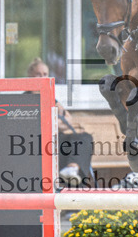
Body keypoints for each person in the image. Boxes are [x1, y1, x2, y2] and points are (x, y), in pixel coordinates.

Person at [27, 57, 94, 187]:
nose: (42, 77)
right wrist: (55, 123)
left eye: (45, 74)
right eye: (38, 74)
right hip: (36, 146)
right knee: (74, 153)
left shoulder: (51, 98)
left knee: (84, 138)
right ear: (30, 76)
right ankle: (72, 177)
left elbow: (68, 119)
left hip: (56, 143)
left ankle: (72, 169)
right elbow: (32, 125)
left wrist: (52, 122)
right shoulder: (25, 99)